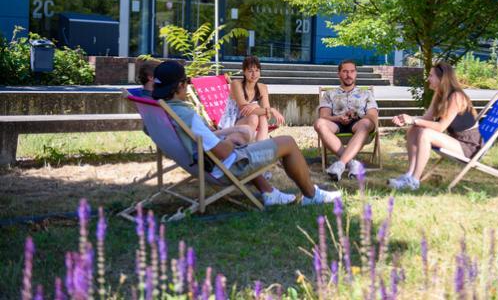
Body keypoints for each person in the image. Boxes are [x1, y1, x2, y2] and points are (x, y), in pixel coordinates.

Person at [152, 60, 341, 206]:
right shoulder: (187, 115)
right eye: (186, 82)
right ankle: (311, 195)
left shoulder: (161, 111)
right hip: (227, 165)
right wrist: (229, 142)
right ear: (179, 86)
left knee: (246, 135)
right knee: (288, 142)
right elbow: (223, 151)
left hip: (201, 161)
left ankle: (269, 193)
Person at [389, 61, 483, 191]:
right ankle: (409, 174)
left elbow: (440, 127)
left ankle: (414, 181)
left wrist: (413, 120)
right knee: (414, 129)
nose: (428, 79)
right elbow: (426, 118)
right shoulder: (439, 94)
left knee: (426, 134)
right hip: (456, 140)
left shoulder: (456, 96)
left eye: (431, 76)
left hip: (469, 147)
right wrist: (407, 119)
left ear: (442, 79)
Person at [314, 59, 379, 181]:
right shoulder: (330, 94)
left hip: (359, 124)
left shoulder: (366, 94)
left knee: (366, 123)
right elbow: (324, 116)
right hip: (336, 124)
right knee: (319, 123)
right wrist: (338, 117)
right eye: (345, 71)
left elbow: (373, 117)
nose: (349, 75)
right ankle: (351, 163)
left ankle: (340, 164)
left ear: (356, 73)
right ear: (339, 74)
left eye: (352, 71)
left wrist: (358, 114)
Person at [218, 56, 285, 141]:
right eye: (250, 71)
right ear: (244, 72)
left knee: (263, 116)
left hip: (248, 124)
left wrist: (256, 106)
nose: (254, 74)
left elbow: (267, 113)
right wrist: (269, 109)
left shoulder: (262, 87)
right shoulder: (236, 84)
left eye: (257, 70)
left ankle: (260, 147)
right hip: (231, 125)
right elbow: (244, 110)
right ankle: (248, 147)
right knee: (254, 117)